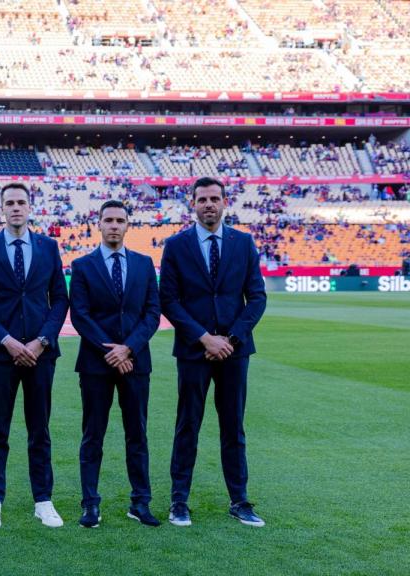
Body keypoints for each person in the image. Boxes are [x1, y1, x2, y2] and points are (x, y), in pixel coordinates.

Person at [160, 177, 267, 528]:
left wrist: (231, 339)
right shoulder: (176, 245)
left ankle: (239, 500)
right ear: (192, 203)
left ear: (225, 202)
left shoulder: (244, 242)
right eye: (202, 199)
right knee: (187, 425)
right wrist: (206, 338)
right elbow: (169, 301)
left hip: (234, 353)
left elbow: (257, 298)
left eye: (214, 198)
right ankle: (179, 501)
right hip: (195, 351)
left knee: (233, 428)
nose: (209, 204)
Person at [0, 182, 69, 529]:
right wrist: (7, 341)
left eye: (20, 202)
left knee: (39, 429)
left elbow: (60, 299)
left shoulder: (48, 247)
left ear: (30, 207)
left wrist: (42, 340)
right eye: (9, 202)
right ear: (1, 208)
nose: (15, 208)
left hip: (41, 354)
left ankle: (43, 500)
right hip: (2, 354)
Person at [69, 200, 161, 529]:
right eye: (108, 220)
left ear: (127, 225)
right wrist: (110, 350)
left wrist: (129, 348)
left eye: (120, 220)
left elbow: (152, 312)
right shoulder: (81, 266)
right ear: (98, 223)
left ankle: (140, 502)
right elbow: (80, 314)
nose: (114, 225)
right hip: (96, 364)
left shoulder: (144, 264)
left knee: (137, 435)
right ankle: (90, 504)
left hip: (136, 363)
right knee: (93, 435)